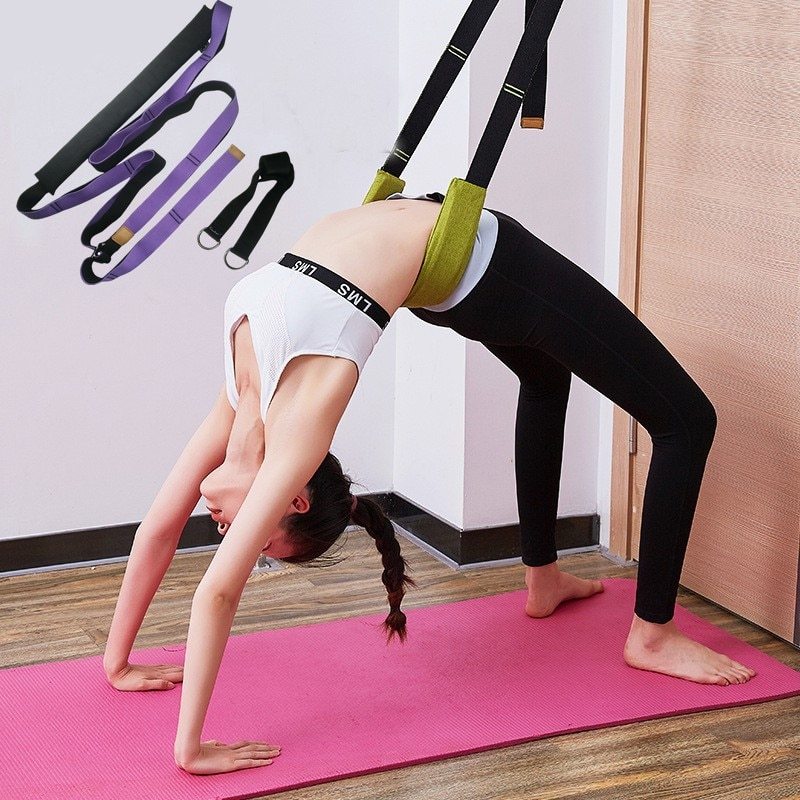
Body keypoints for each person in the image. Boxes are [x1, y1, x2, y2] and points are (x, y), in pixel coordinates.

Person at [101, 191, 756, 776]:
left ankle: (552, 583)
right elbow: (216, 588)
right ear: (294, 497)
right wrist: (183, 740)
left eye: (259, 543)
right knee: (686, 420)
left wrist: (121, 666)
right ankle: (649, 634)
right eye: (262, 540)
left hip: (451, 272)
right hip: (481, 262)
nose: (236, 535)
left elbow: (163, 533)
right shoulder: (295, 436)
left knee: (557, 380)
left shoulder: (243, 400)